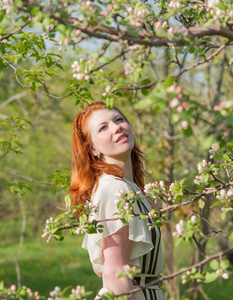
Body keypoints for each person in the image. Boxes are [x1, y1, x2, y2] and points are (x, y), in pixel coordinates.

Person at [68, 102, 164, 300]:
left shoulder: (129, 188)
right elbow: (113, 273)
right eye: (103, 127)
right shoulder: (114, 189)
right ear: (92, 150)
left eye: (119, 119)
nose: (116, 127)